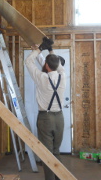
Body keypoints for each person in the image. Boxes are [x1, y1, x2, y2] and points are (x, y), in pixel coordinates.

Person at [25, 38, 66, 180]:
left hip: (45, 118)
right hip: (59, 118)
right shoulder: (62, 75)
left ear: (47, 66)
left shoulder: (41, 77)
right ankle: (60, 177)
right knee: (56, 152)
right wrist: (50, 50)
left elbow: (28, 62)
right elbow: (57, 65)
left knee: (47, 154)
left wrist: (38, 50)